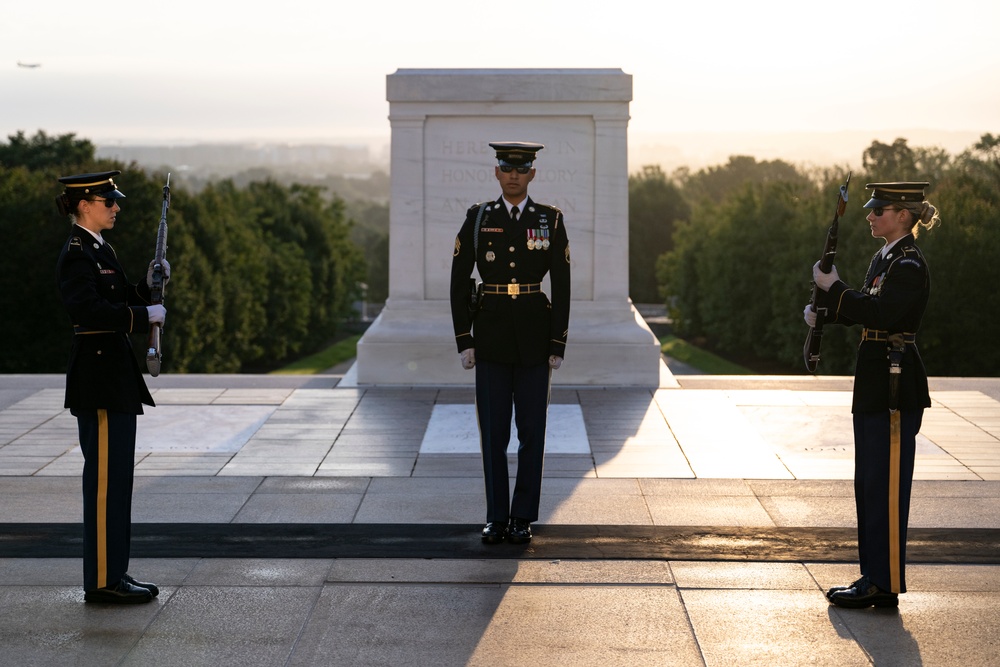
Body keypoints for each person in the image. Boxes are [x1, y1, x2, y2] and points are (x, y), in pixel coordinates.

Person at [804, 181, 940, 609]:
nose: (869, 216)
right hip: (875, 382)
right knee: (870, 484)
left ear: (903, 215)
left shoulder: (909, 266)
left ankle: (885, 582)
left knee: (887, 487)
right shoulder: (885, 259)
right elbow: (867, 307)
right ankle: (873, 576)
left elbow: (882, 312)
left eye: (878, 210)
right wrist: (825, 310)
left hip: (895, 386)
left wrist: (835, 289)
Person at [449, 142, 571, 545]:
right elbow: (458, 280)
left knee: (532, 432)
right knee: (494, 434)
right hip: (492, 337)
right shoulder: (479, 217)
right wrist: (464, 338)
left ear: (532, 174)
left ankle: (522, 517)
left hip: (536, 339)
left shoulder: (549, 220)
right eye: (506, 168)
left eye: (521, 169)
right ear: (496, 172)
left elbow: (563, 285)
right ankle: (496, 517)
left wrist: (558, 341)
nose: (514, 174)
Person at [54, 170, 167, 604]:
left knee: (117, 481)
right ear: (85, 205)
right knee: (104, 484)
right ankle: (102, 581)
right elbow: (88, 310)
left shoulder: (101, 248)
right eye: (108, 201)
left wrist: (149, 285)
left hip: (113, 378)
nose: (116, 207)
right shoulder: (77, 254)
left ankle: (114, 573)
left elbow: (116, 299)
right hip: (98, 380)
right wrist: (143, 317)